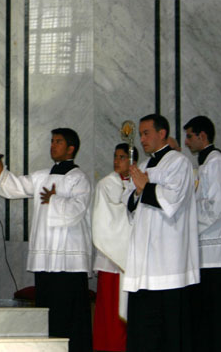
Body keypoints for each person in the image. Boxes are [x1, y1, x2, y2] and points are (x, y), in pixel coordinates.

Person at [0, 128, 92, 352]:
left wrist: (54, 200)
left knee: (70, 310)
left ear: (71, 148)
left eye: (58, 142)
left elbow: (77, 210)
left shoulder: (79, 178)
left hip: (68, 259)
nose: (52, 145)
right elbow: (15, 187)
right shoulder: (42, 176)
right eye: (52, 141)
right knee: (48, 308)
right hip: (46, 254)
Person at [124, 114, 199, 352]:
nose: (142, 139)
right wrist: (136, 193)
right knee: (144, 330)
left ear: (162, 133)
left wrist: (145, 187)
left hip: (168, 260)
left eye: (147, 133)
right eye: (142, 134)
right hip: (144, 263)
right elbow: (130, 203)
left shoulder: (178, 162)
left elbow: (173, 201)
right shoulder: (144, 166)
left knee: (168, 330)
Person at [183, 115, 221, 352]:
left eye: (189, 137)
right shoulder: (206, 165)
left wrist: (191, 224)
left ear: (202, 135)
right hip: (205, 253)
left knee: (218, 315)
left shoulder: (217, 163)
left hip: (216, 252)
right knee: (208, 314)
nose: (187, 142)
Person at [92, 143, 138, 352]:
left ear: (132, 162)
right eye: (115, 156)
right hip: (112, 258)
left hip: (133, 259)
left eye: (122, 157)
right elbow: (105, 218)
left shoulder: (140, 182)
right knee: (110, 312)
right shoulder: (105, 184)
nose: (116, 161)